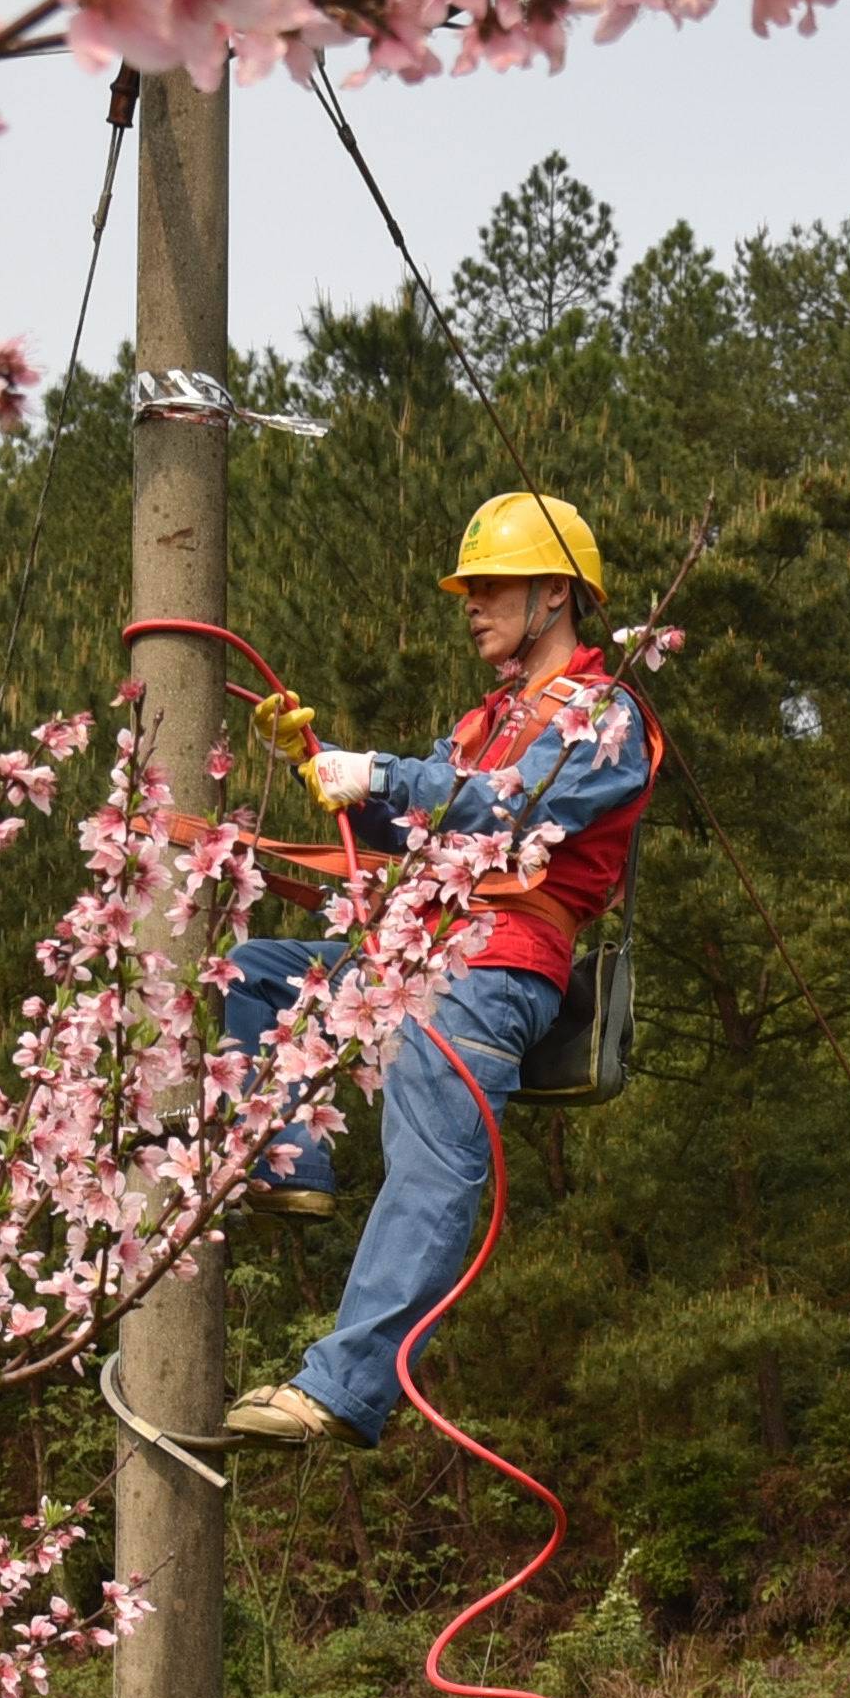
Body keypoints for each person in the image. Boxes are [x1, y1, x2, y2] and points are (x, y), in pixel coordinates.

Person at [210, 489, 661, 1450]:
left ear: (555, 594)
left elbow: (514, 807)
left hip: (497, 967)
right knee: (257, 974)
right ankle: (293, 1165)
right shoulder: (481, 723)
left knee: (432, 1161)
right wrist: (325, 765)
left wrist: (377, 770)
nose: (472, 604)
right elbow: (421, 817)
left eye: (492, 586)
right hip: (419, 950)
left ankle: (344, 1387)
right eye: (471, 589)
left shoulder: (607, 716)